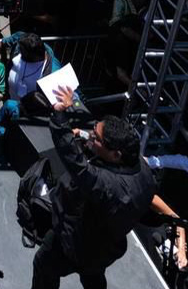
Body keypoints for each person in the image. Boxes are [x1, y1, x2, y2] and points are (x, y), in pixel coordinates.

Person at [30, 87, 156, 289]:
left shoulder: (105, 184)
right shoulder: (145, 172)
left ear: (116, 154)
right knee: (93, 277)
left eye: (96, 138)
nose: (91, 138)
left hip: (75, 243)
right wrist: (82, 133)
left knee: (44, 265)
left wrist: (60, 116)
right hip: (106, 247)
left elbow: (74, 161)